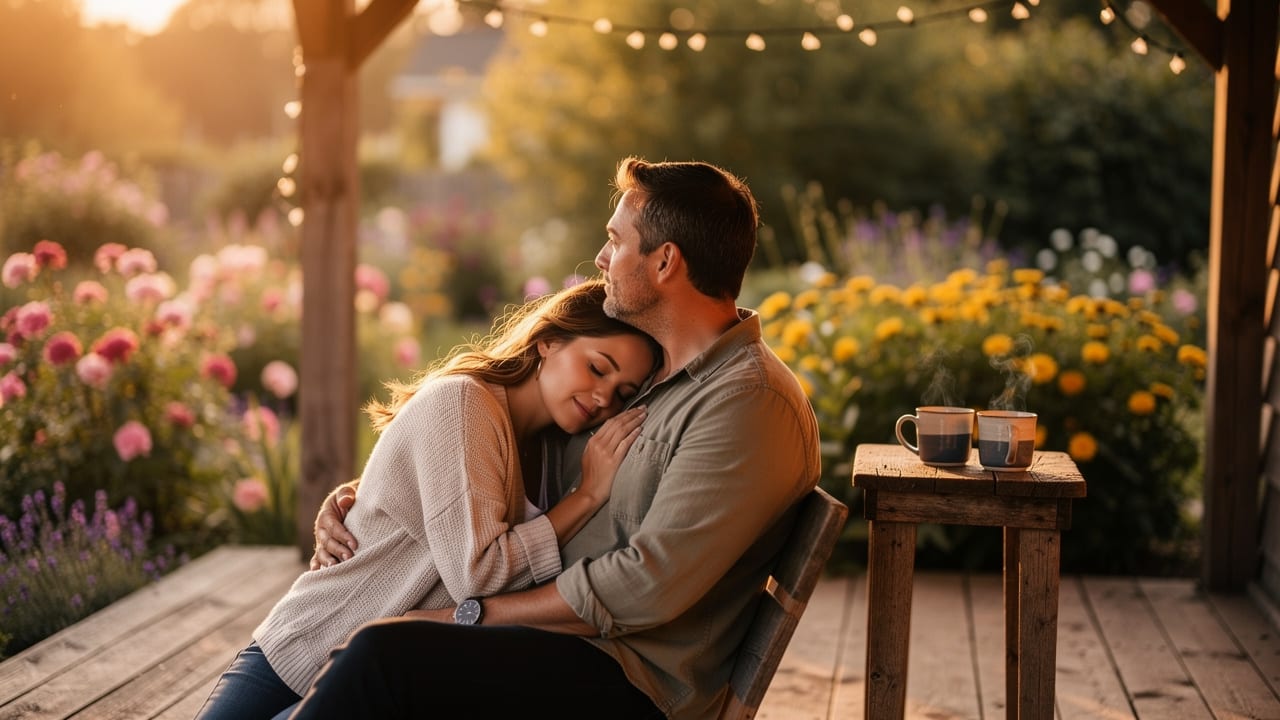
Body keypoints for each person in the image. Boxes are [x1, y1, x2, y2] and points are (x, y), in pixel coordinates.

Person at [295, 157, 822, 720]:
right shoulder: (653, 374)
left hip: (627, 680)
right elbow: (514, 456)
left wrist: (473, 615)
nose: (600, 260)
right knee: (376, 655)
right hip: (565, 649)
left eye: (616, 241)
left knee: (384, 656)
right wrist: (369, 493)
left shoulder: (746, 402)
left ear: (666, 261)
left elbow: (647, 583)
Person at [194, 279, 662, 720]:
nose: (604, 397)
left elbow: (445, 502)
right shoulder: (464, 403)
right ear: (549, 341)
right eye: (598, 368)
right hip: (304, 648)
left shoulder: (551, 445)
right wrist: (588, 496)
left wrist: (354, 492)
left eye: (622, 393)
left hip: (382, 678)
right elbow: (476, 573)